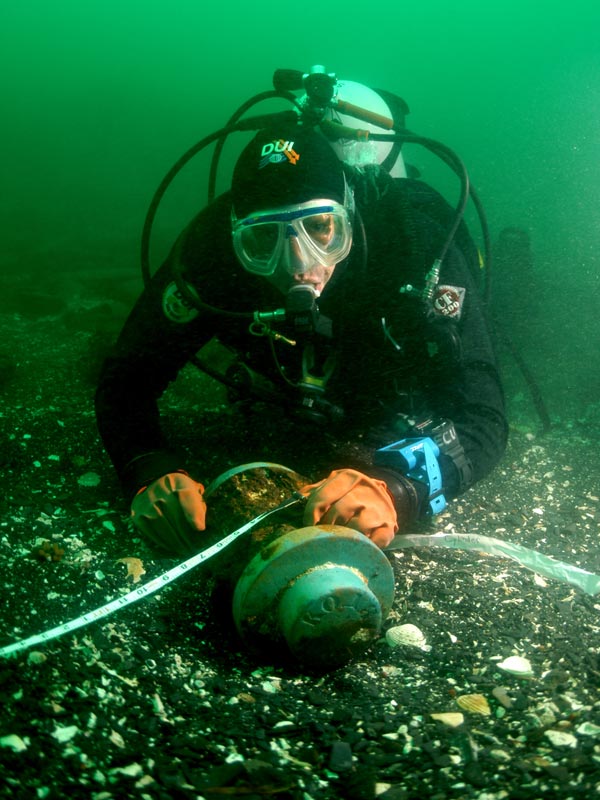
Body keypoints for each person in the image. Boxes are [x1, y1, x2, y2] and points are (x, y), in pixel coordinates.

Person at [95, 101, 508, 557]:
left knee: (511, 313)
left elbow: (483, 417)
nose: (297, 264)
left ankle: (518, 257)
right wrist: (147, 467)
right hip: (315, 382)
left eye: (319, 228)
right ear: (236, 237)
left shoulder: (412, 240)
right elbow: (126, 380)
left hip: (394, 378)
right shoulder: (210, 254)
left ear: (348, 216)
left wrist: (400, 489)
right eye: (262, 239)